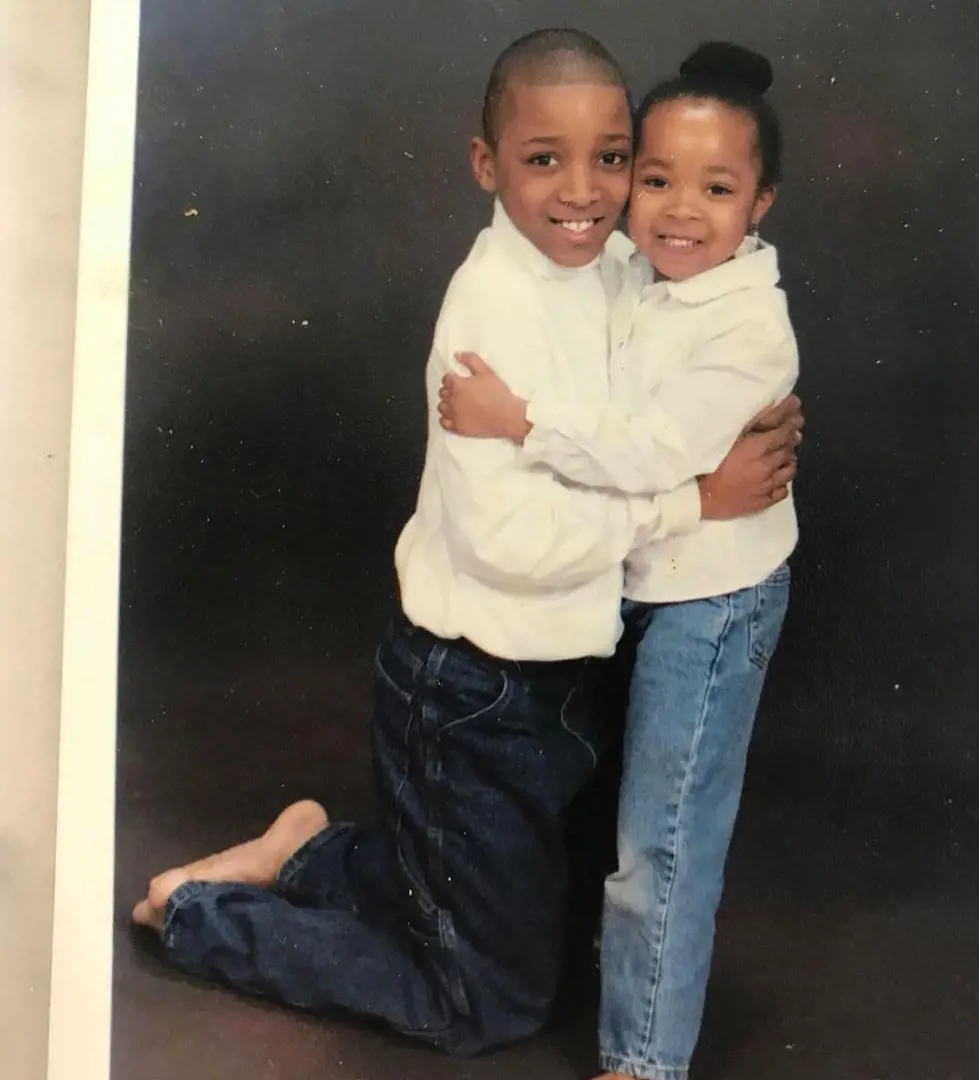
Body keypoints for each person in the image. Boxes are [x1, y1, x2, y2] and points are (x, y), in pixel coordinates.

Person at [130, 29, 802, 1058]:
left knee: (541, 916)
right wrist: (693, 504)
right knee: (482, 1001)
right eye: (545, 160)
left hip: (560, 676)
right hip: (471, 691)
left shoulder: (615, 259)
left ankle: (315, 854)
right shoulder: (491, 313)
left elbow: (704, 311)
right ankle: (201, 920)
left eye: (614, 159)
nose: (588, 191)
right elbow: (512, 541)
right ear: (486, 165)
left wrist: (756, 399)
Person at [437, 40, 798, 1080]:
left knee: (664, 846)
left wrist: (521, 419)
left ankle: (642, 1060)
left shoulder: (749, 331)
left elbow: (651, 451)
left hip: (710, 603)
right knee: (608, 815)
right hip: (637, 580)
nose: (680, 210)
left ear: (761, 202)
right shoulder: (635, 268)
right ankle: (614, 982)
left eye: (717, 189)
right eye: (657, 179)